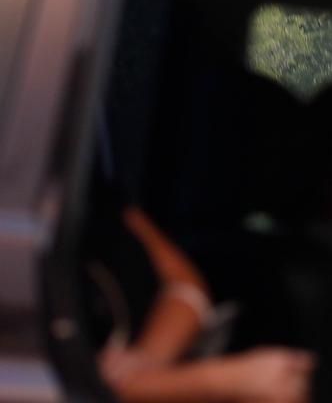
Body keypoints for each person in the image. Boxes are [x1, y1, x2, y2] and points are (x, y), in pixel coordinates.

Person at [82, 170, 314, 403]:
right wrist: (219, 382)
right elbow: (71, 385)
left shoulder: (92, 191)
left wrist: (146, 361)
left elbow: (185, 283)